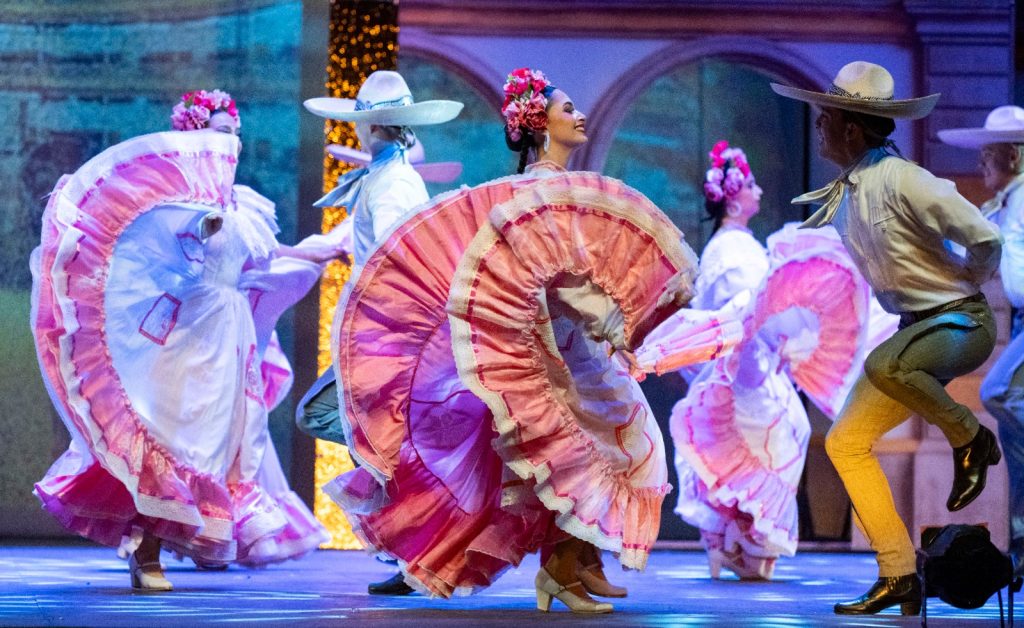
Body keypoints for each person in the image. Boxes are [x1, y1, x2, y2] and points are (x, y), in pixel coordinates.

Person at [323, 67, 697, 614]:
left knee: (611, 452)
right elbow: (544, 276)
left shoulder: (561, 189)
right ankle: (562, 570)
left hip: (578, 349)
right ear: (539, 124)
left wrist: (622, 313)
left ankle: (577, 562)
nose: (579, 115)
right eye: (567, 109)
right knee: (598, 454)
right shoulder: (535, 192)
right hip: (553, 353)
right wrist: (610, 319)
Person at [31, 89, 340, 591]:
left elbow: (265, 256)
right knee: (173, 436)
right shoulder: (176, 200)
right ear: (195, 138)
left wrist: (322, 249)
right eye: (220, 134)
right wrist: (198, 223)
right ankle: (146, 552)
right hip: (187, 332)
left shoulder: (242, 203)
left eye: (234, 134)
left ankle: (189, 538)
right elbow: (155, 247)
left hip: (229, 337)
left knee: (217, 446)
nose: (230, 142)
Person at [771, 61, 1003, 615]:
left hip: (961, 322)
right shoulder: (849, 189)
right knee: (845, 441)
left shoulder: (903, 178)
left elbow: (985, 237)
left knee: (885, 366)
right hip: (915, 331)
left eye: (826, 118)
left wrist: (968, 278)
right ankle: (898, 572)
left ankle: (970, 437)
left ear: (852, 129)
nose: (819, 126)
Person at [297, 70, 463, 596]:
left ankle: (416, 537)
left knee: (338, 419)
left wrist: (388, 328)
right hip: (385, 327)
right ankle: (414, 544)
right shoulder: (388, 174)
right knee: (372, 433)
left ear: (368, 126)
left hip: (388, 329)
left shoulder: (392, 182)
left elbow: (399, 251)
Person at [940, 105, 1024, 573]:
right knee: (1012, 430)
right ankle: (1022, 541)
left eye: (988, 155)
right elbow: (966, 248)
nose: (980, 164)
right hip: (1019, 322)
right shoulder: (1000, 206)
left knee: (998, 393)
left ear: (1013, 156)